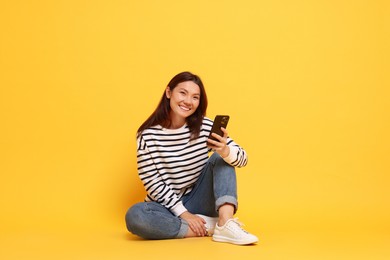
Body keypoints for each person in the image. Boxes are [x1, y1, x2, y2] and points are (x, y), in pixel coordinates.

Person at [125, 71, 258, 245]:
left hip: (199, 201)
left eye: (195, 97)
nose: (188, 101)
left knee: (221, 157)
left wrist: (225, 150)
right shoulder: (148, 135)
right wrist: (184, 214)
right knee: (135, 216)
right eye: (183, 93)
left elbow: (243, 158)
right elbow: (152, 182)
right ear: (168, 93)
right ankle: (208, 227)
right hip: (165, 208)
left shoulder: (206, 127)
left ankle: (225, 223)